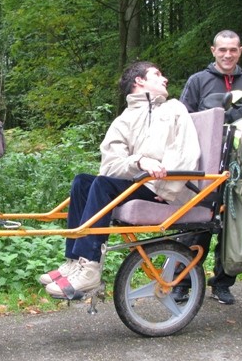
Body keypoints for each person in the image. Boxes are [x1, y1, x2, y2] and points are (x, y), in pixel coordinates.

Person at [40, 61, 201, 299]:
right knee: (83, 182)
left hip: (166, 188)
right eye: (157, 74)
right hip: (139, 183)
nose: (164, 79)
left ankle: (91, 265)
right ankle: (75, 260)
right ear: (139, 81)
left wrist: (166, 188)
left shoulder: (174, 109)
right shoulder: (123, 120)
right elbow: (110, 165)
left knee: (102, 185)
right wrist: (138, 162)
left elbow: (186, 152)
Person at [178, 30, 242, 305]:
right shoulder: (198, 81)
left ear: (240, 51)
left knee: (233, 228)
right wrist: (225, 117)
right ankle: (182, 282)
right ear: (213, 50)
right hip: (206, 170)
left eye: (233, 50)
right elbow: (183, 122)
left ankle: (223, 283)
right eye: (222, 50)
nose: (228, 55)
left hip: (241, 170)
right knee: (198, 226)